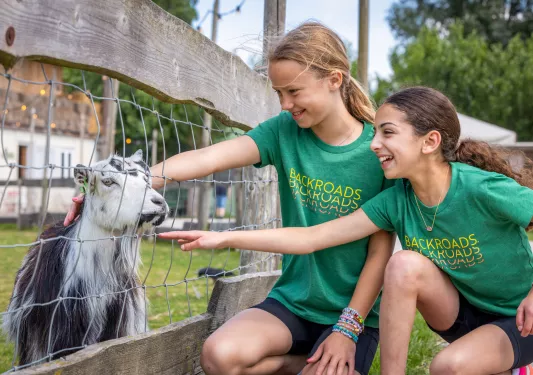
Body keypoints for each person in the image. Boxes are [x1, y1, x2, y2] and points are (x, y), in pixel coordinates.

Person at [65, 22, 395, 375]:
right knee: (219, 355)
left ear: (334, 79)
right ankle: (293, 362)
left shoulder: (380, 153)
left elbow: (380, 253)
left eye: (294, 91)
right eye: (279, 93)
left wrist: (347, 329)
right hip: (295, 304)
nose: (285, 104)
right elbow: (205, 158)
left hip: (353, 315)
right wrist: (126, 190)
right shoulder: (284, 132)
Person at [159, 86, 533, 375]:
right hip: (462, 312)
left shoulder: (480, 188)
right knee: (403, 265)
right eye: (374, 133)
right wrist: (224, 237)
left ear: (429, 141)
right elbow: (312, 237)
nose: (374, 145)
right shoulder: (396, 200)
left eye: (387, 133)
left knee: (447, 367)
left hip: (521, 316)